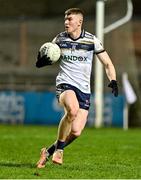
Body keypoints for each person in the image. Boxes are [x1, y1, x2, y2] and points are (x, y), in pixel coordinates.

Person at [36, 8, 118, 168]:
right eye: (65, 19)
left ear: (79, 22)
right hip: (65, 84)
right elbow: (48, 54)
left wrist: (113, 80)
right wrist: (40, 62)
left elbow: (108, 63)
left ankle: (48, 152)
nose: (66, 22)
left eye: (70, 19)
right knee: (72, 110)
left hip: (84, 89)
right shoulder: (59, 39)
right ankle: (59, 150)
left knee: (76, 132)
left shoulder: (91, 40)